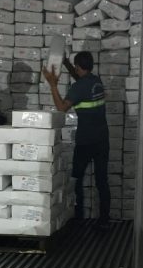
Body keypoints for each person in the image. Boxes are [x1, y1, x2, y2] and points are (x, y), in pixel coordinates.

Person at [43, 51, 110, 230]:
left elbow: (61, 108)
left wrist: (53, 85)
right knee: (102, 180)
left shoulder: (78, 87)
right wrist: (65, 62)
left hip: (85, 141)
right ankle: (104, 220)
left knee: (76, 178)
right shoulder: (96, 81)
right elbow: (80, 79)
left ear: (78, 66)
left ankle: (78, 216)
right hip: (102, 139)